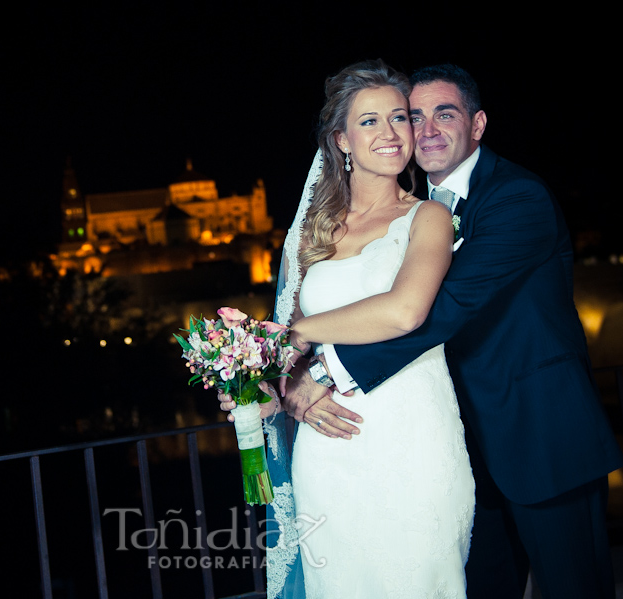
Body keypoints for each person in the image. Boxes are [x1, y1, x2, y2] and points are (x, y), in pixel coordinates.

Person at [281, 64, 623, 598]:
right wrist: (286, 383)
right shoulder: (412, 209)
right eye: (412, 116)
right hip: (452, 438)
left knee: (572, 588)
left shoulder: (516, 197)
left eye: (446, 113)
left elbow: (445, 307)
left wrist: (321, 364)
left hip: (539, 434)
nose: (425, 129)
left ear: (479, 124)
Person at [223, 60, 475, 598]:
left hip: (413, 440)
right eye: (369, 122)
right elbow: (285, 348)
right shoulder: (310, 234)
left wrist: (300, 334)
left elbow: (404, 311)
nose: (391, 134)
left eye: (400, 118)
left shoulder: (429, 217)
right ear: (339, 139)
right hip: (327, 450)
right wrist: (272, 389)